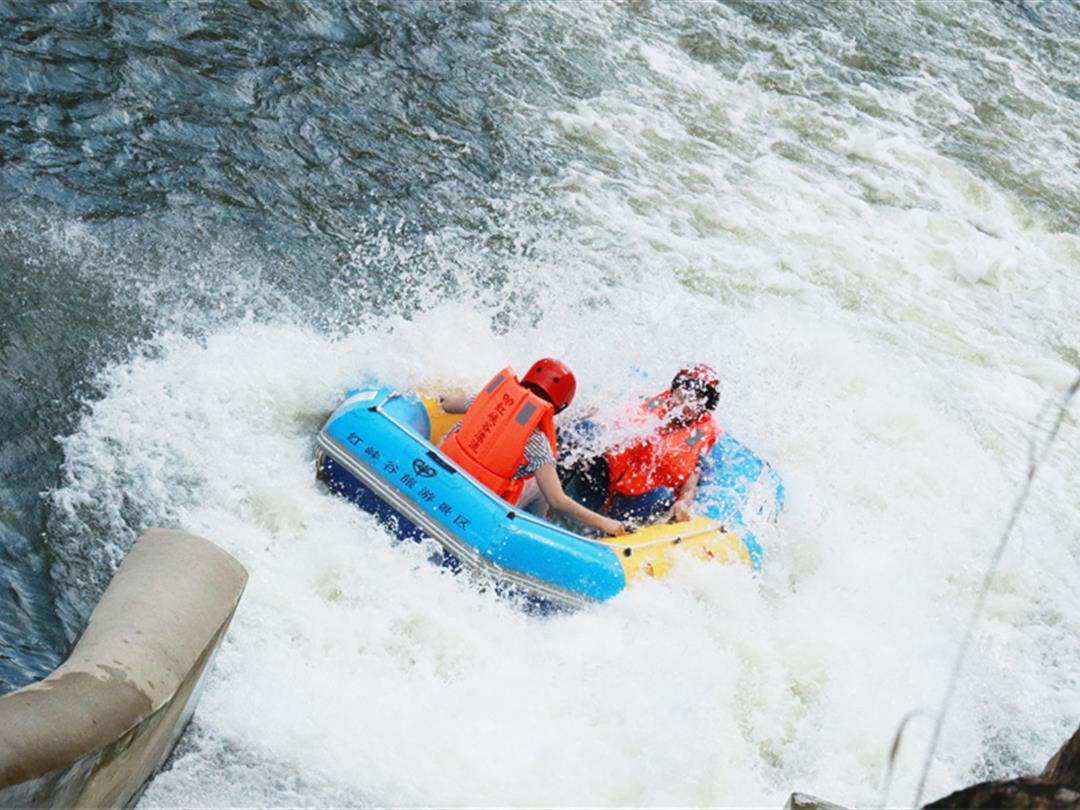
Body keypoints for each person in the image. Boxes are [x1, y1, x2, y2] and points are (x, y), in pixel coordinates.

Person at [438, 359, 625, 537]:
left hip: (440, 476)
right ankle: (536, 524)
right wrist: (604, 523)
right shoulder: (538, 443)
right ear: (559, 407)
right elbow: (557, 500)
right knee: (538, 483)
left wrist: (458, 389)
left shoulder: (489, 401)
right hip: (480, 506)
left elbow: (447, 404)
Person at [561, 364, 722, 526]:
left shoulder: (699, 434)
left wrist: (684, 502)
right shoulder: (655, 403)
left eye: (696, 400)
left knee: (662, 495)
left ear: (705, 406)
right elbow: (614, 416)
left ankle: (599, 534)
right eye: (683, 395)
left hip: (639, 499)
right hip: (608, 477)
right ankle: (549, 497)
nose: (687, 404)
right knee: (583, 433)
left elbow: (692, 478)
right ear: (674, 390)